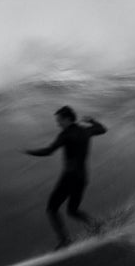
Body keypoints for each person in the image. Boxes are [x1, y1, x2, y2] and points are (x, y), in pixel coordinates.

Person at [25, 106, 107, 248]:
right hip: (82, 178)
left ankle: (64, 240)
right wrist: (92, 120)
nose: (58, 124)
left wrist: (30, 152)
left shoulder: (66, 135)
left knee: (52, 209)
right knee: (72, 211)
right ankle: (96, 224)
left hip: (70, 178)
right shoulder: (85, 131)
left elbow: (48, 151)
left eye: (59, 120)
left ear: (67, 119)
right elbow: (102, 129)